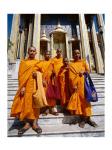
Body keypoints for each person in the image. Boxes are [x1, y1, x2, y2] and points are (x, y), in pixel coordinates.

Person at [10, 46, 47, 136]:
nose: (32, 52)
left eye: (33, 51)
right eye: (30, 51)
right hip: (26, 87)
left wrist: (38, 74)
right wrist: (22, 87)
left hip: (35, 86)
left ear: (36, 52)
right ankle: (27, 124)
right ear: (28, 52)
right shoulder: (23, 62)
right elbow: (20, 76)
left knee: (36, 105)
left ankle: (34, 123)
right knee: (27, 105)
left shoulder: (38, 62)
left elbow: (43, 74)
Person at [67, 49, 97, 128]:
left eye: (78, 53)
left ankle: (88, 118)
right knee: (80, 102)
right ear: (73, 55)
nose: (77, 54)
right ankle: (82, 119)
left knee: (86, 101)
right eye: (75, 53)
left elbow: (88, 71)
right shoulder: (71, 65)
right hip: (77, 86)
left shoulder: (83, 62)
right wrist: (74, 85)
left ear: (80, 54)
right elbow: (70, 77)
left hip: (84, 85)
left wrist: (83, 71)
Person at [39, 51, 58, 115]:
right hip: (44, 81)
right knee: (45, 95)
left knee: (51, 95)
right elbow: (39, 72)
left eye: (49, 54)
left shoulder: (52, 62)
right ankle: (46, 109)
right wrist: (42, 80)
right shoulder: (41, 63)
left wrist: (54, 73)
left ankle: (53, 109)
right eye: (47, 54)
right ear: (44, 55)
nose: (48, 55)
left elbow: (55, 71)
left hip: (51, 81)